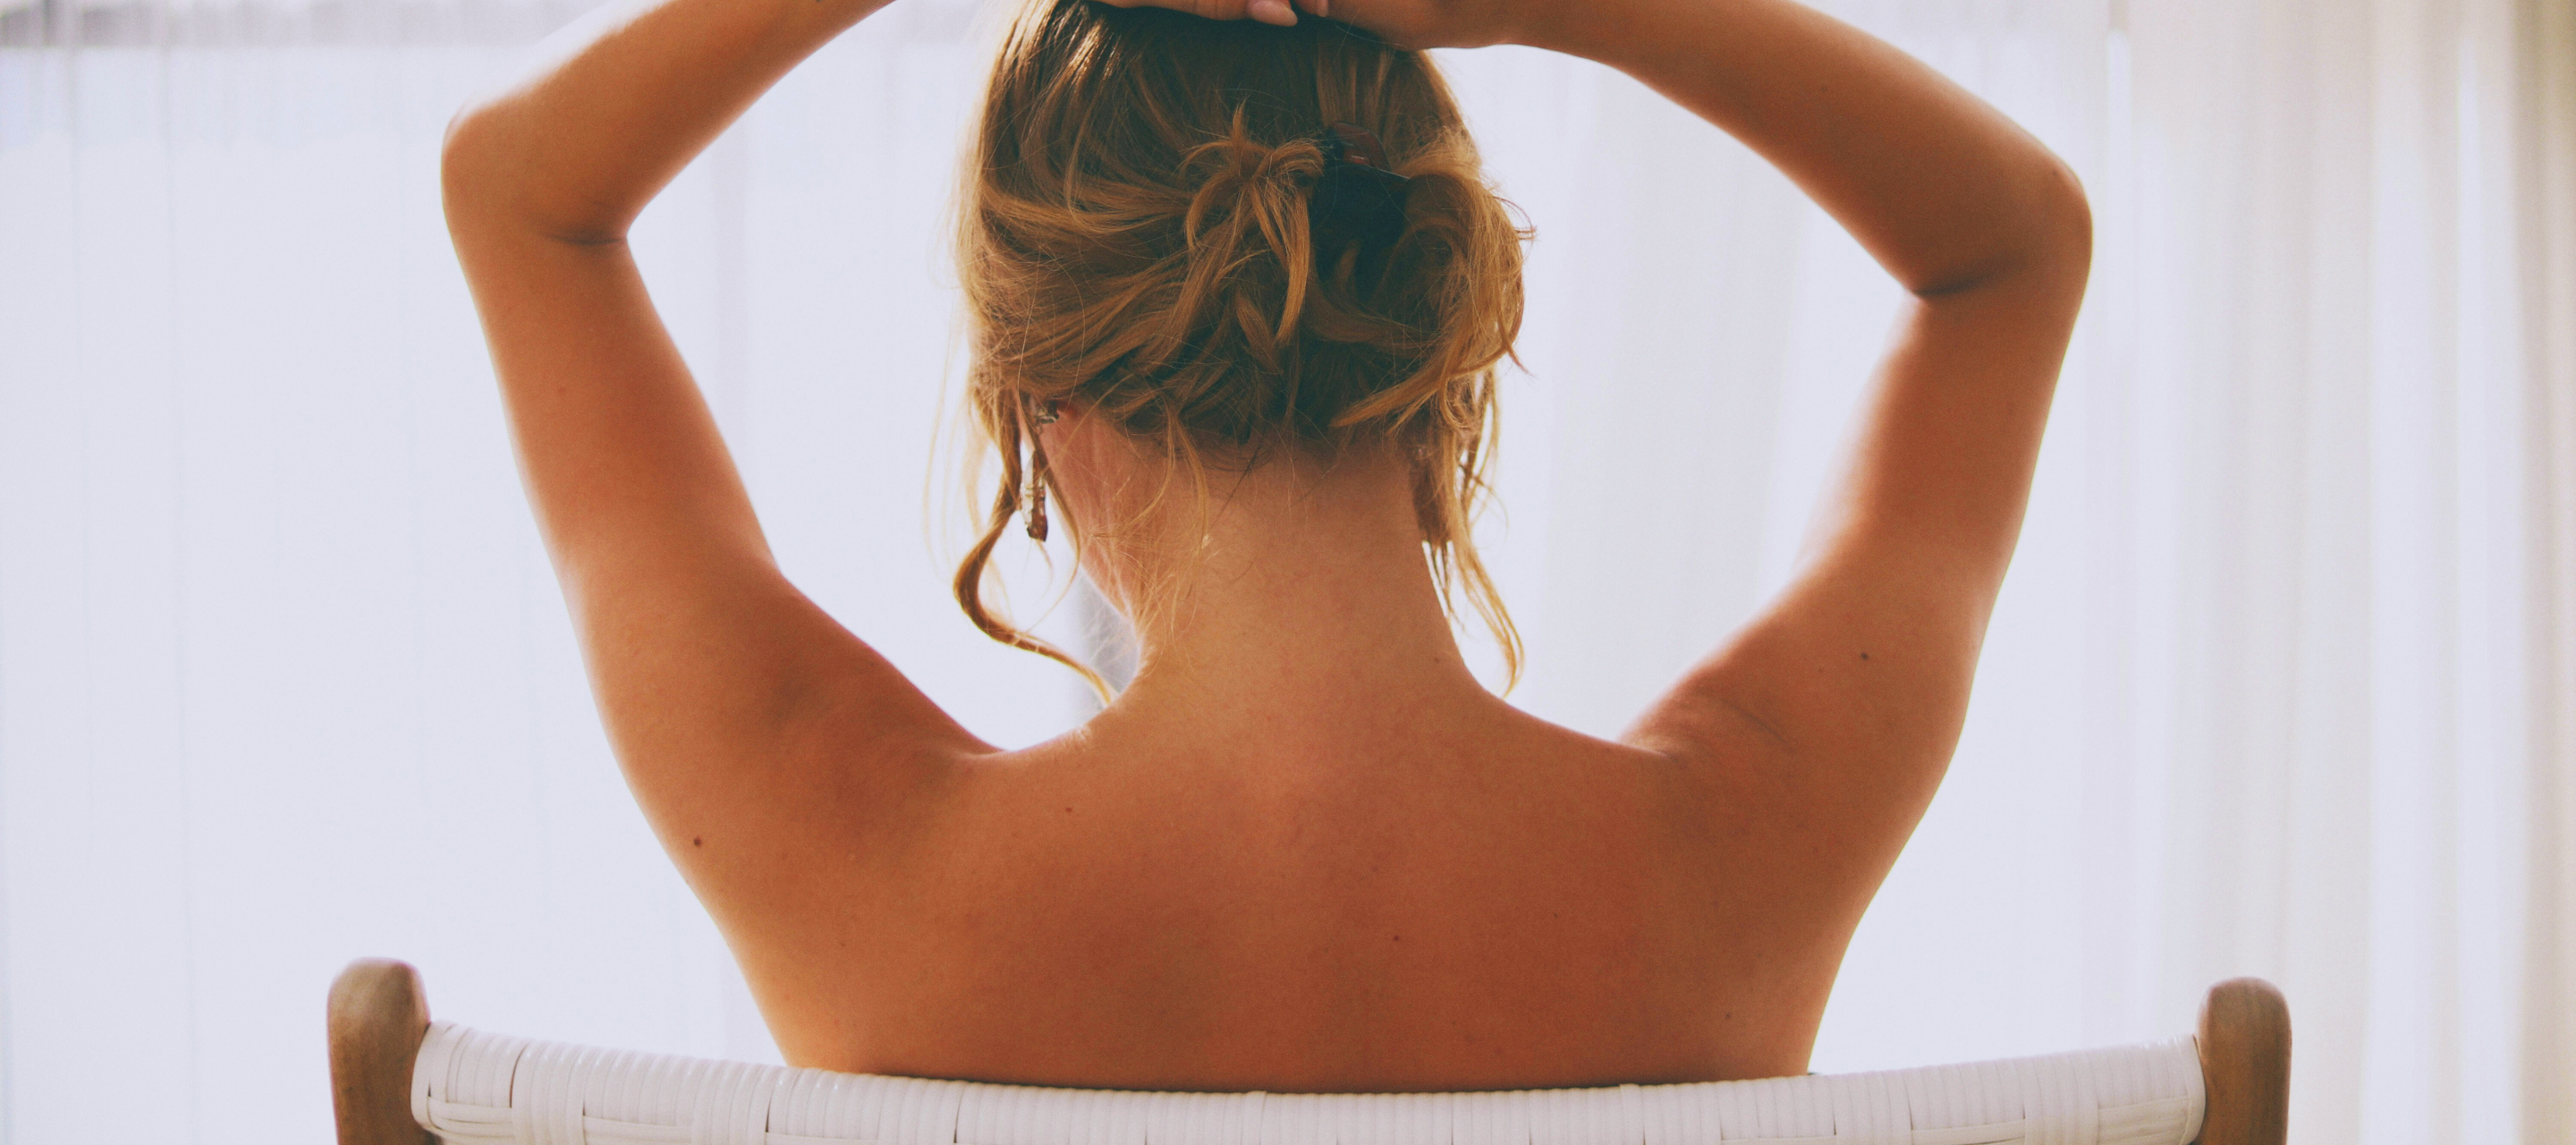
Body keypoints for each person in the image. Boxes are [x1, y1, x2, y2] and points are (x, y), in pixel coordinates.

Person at [439, 0, 2090, 1094]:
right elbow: (2012, 249)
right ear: (1450, 339)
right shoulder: (1737, 853)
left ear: (1035, 398)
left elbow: (516, 191)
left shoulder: (845, 843)